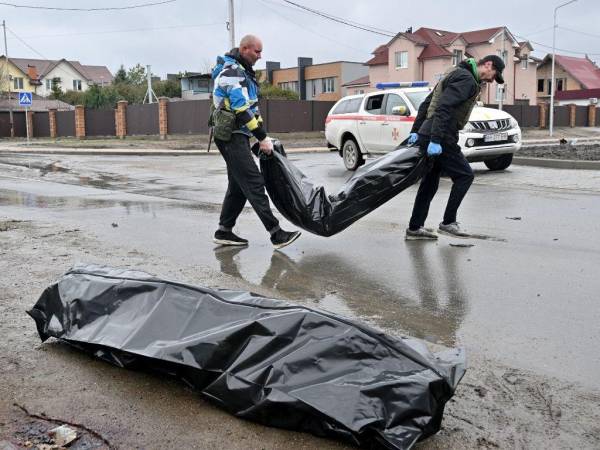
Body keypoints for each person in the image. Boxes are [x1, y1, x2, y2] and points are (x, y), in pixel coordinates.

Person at [211, 35, 301, 249]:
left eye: (261, 52)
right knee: (253, 182)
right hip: (230, 136)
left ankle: (224, 231)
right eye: (257, 52)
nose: (260, 56)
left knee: (238, 186)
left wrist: (262, 137)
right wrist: (261, 137)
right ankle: (276, 234)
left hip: (238, 135)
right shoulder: (232, 73)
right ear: (244, 49)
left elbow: (253, 110)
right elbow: (241, 110)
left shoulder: (244, 74)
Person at [405, 55, 505, 240]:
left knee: (430, 182)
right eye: (494, 74)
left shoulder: (454, 73)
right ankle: (448, 222)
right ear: (488, 65)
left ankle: (414, 227)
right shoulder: (467, 80)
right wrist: (435, 139)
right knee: (465, 175)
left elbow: (428, 103)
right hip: (442, 134)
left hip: (431, 132)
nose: (492, 80)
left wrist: (417, 131)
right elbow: (443, 107)